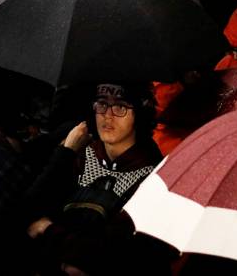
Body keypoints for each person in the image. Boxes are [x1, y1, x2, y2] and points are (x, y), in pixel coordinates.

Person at [23, 82, 163, 274]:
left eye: (120, 106)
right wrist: (65, 153)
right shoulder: (79, 153)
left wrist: (47, 230)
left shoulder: (152, 174)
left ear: (139, 113)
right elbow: (27, 211)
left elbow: (110, 254)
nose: (108, 115)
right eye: (102, 104)